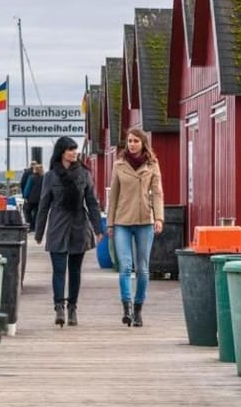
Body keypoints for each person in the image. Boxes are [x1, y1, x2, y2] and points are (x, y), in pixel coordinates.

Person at [34, 137, 103, 327]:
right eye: (70, 149)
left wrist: (98, 228)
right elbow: (44, 205)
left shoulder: (84, 174)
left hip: (79, 226)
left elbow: (92, 202)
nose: (74, 152)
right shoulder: (50, 177)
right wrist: (39, 232)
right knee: (58, 270)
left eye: (75, 149)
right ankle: (59, 308)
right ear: (61, 152)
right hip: (57, 225)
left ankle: (72, 307)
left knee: (74, 270)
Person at [106, 127, 164, 327]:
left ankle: (139, 308)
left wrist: (159, 218)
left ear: (143, 143)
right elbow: (113, 195)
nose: (131, 144)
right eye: (129, 141)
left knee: (143, 268)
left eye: (135, 141)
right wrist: (110, 222)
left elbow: (157, 193)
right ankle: (127, 307)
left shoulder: (152, 164)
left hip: (144, 221)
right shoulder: (119, 165)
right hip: (122, 220)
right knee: (125, 266)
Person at [22, 162, 44, 231]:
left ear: (35, 170)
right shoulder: (44, 177)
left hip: (31, 198)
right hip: (40, 198)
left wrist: (25, 196)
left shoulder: (31, 177)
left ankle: (30, 225)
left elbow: (27, 188)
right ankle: (34, 227)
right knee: (37, 213)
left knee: (26, 211)